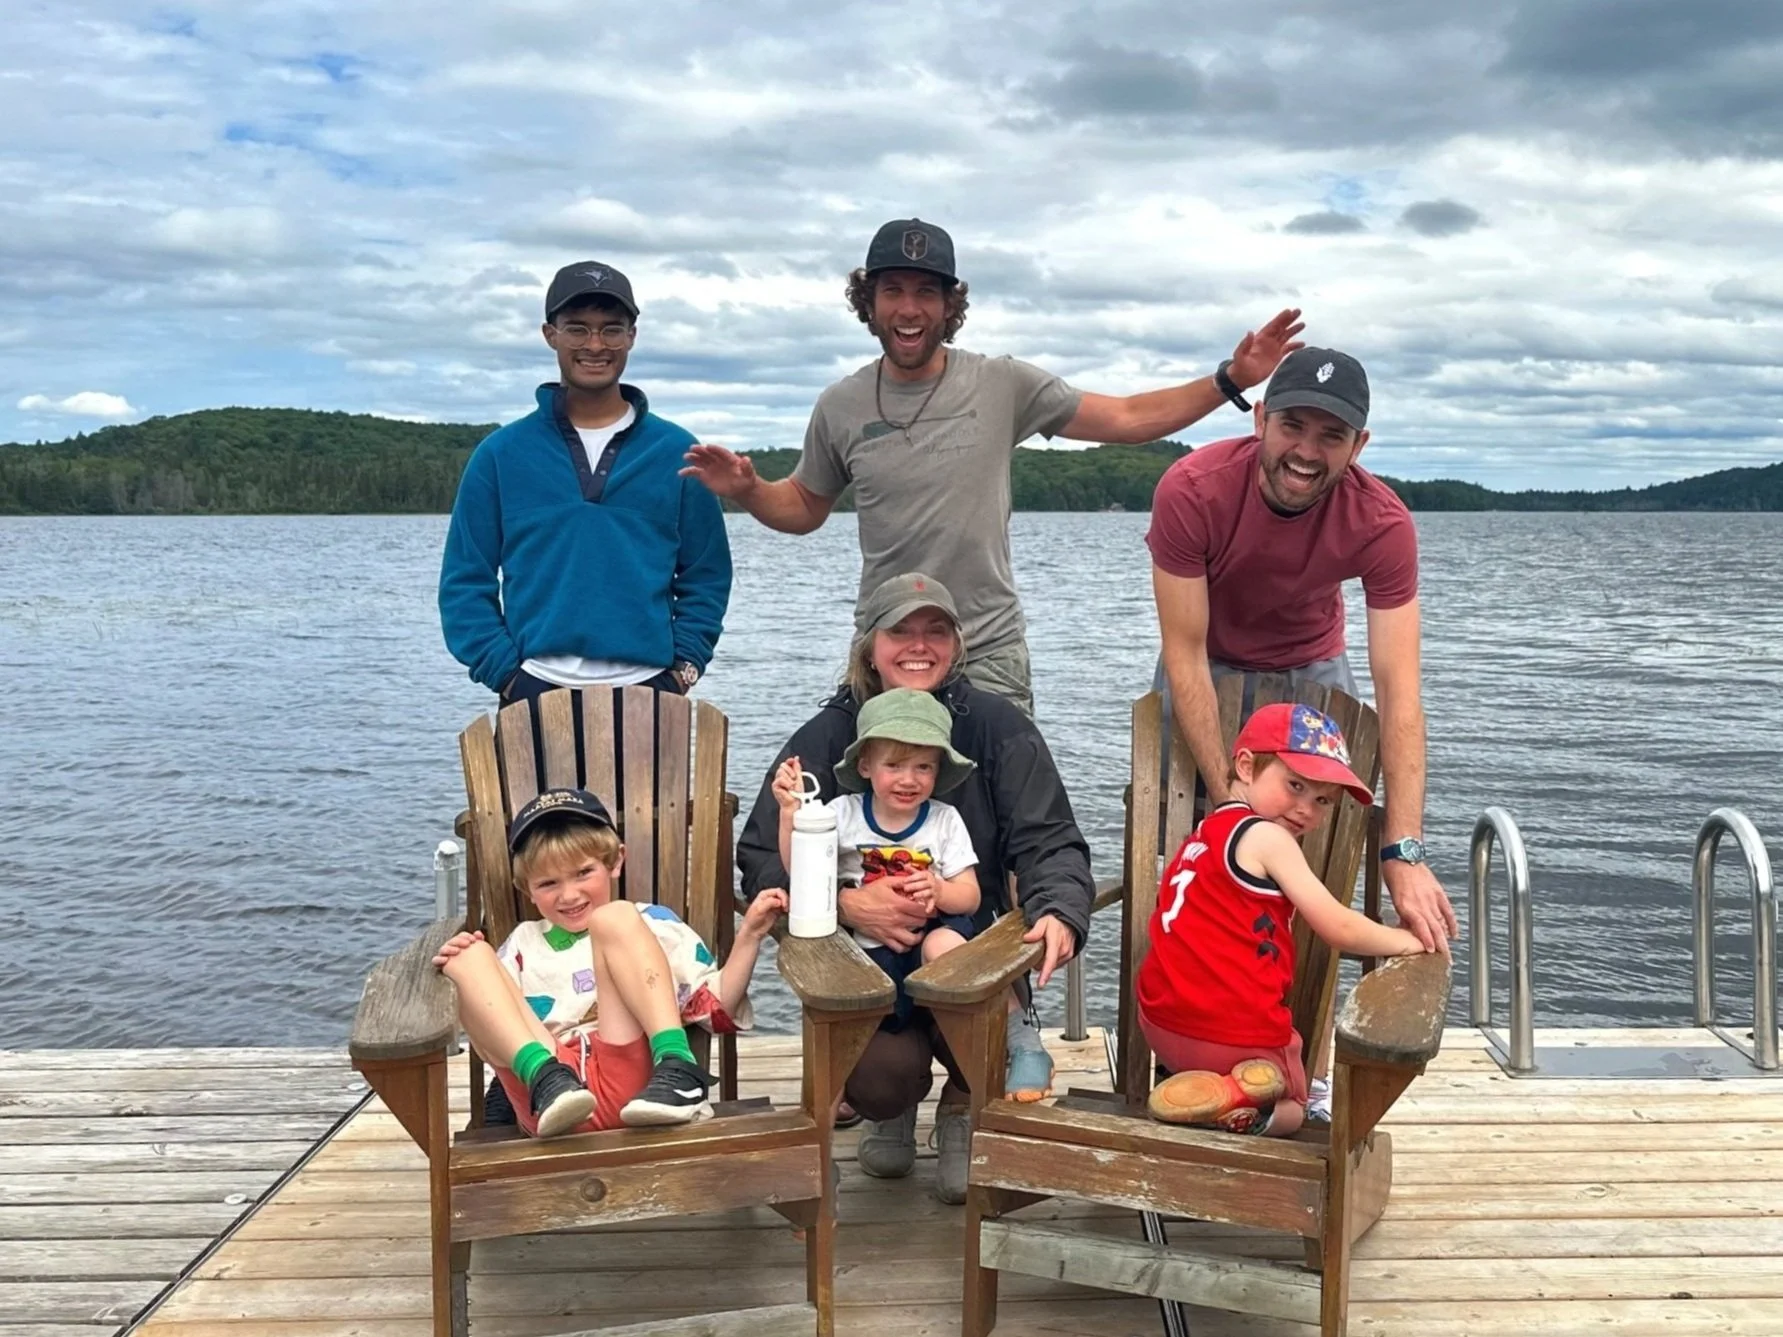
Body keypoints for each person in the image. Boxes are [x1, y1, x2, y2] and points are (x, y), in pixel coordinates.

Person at [681, 217, 1304, 717]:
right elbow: (805, 506)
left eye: (927, 291)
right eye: (892, 290)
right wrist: (750, 489)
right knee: (883, 826)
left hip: (988, 648)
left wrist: (1230, 379)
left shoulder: (1001, 384)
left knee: (1002, 826)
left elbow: (1127, 418)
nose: (909, 308)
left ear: (950, 305)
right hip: (886, 647)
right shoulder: (840, 405)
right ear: (867, 302)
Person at [738, 571, 1094, 1204]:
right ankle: (893, 1111)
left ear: (957, 643)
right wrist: (844, 903)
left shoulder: (996, 725)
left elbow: (1051, 839)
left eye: (936, 630)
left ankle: (960, 1109)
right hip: (869, 961)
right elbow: (764, 851)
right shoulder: (826, 737)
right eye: (900, 630)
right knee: (879, 1079)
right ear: (869, 643)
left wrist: (1060, 908)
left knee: (973, 1018)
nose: (918, 645)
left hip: (963, 942)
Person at [1148, 346, 1459, 956]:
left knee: (1312, 849)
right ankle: (1186, 998)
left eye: (1331, 435)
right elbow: (1184, 653)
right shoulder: (1192, 490)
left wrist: (1404, 850)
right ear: (1260, 419)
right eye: (1293, 426)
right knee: (1194, 840)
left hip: (1311, 668)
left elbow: (1400, 694)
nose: (1307, 452)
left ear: (1359, 445)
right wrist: (1230, 797)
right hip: (1207, 660)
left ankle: (1288, 1008)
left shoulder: (1382, 524)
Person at [440, 261, 731, 716]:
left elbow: (706, 576)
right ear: (549, 333)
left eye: (611, 329)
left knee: (665, 796)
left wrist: (682, 669)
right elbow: (464, 581)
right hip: (533, 693)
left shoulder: (678, 453)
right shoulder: (500, 454)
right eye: (577, 329)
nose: (595, 345)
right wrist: (506, 675)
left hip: (649, 695)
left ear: (632, 335)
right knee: (539, 795)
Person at [1139, 704, 1431, 1135]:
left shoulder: (1204, 834)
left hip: (1159, 1025)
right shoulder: (1268, 838)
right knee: (1297, 1103)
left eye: (1322, 801)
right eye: (1294, 785)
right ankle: (1236, 1103)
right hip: (1233, 1040)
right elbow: (1337, 926)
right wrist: (1406, 941)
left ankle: (1191, 1089)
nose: (1305, 810)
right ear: (1245, 765)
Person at [432, 787, 786, 1134]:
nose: (569, 895)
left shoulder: (646, 924)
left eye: (583, 873)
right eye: (548, 883)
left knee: (613, 918)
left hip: (636, 1085)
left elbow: (716, 1005)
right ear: (527, 888)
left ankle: (677, 1067)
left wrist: (750, 935)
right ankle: (546, 1075)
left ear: (615, 861)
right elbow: (491, 1027)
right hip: (545, 1093)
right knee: (466, 957)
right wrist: (466, 961)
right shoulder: (523, 943)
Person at [773, 688, 982, 1030]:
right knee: (845, 979)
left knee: (946, 944)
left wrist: (940, 890)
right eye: (894, 765)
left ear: (938, 770)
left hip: (931, 931)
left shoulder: (945, 820)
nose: (908, 779)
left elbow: (970, 897)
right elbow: (801, 871)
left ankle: (961, 1026)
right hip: (865, 942)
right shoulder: (842, 813)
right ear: (865, 765)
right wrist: (789, 815)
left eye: (923, 767)